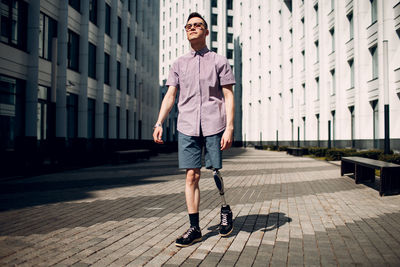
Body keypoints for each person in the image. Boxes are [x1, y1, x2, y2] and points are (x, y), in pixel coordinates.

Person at [152, 12, 235, 247]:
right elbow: (170, 95)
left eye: (198, 25)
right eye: (189, 26)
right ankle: (194, 227)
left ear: (206, 32)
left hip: (213, 124)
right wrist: (159, 122)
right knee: (191, 175)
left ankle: (225, 209)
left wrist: (229, 127)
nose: (193, 28)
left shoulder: (219, 61)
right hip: (187, 125)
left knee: (215, 171)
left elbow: (228, 95)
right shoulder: (179, 63)